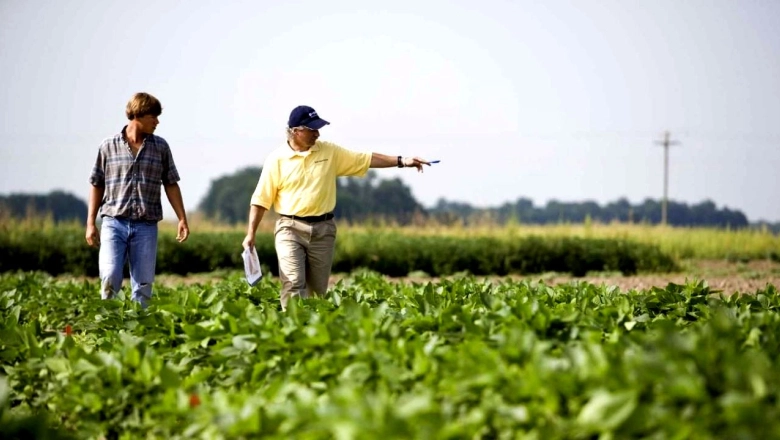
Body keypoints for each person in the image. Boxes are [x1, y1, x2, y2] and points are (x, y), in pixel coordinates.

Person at [242, 105, 431, 310]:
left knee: (317, 292)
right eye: (312, 129)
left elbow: (365, 159)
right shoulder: (276, 160)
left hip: (324, 229)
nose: (318, 133)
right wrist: (251, 233)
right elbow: (261, 199)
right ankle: (291, 327)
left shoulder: (329, 151)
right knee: (293, 281)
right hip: (290, 228)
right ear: (296, 131)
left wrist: (403, 161)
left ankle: (312, 330)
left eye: (318, 128)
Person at [85, 92, 189, 309]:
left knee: (143, 285)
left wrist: (182, 218)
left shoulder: (160, 147)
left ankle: (140, 329)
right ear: (139, 114)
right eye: (154, 116)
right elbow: (97, 183)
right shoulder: (107, 146)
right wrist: (90, 224)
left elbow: (171, 183)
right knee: (110, 275)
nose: (157, 122)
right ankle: (109, 324)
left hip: (146, 225)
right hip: (113, 222)